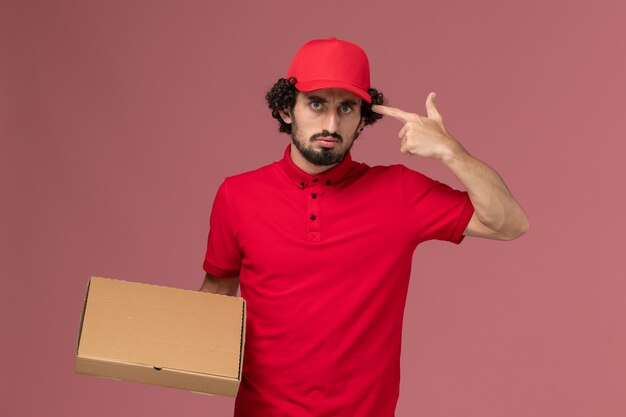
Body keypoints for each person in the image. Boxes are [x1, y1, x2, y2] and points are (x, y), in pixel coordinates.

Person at [200, 37, 529, 417]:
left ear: (363, 118)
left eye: (347, 108)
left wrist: (448, 150)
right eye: (317, 103)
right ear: (287, 108)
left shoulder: (399, 192)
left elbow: (509, 222)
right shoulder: (237, 195)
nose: (331, 124)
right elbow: (218, 296)